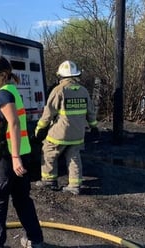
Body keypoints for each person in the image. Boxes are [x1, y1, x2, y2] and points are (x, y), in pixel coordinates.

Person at [0, 56, 44, 248]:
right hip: (17, 157)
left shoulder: (3, 94)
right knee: (22, 200)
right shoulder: (12, 92)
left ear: (2, 75)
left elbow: (14, 123)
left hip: (6, 159)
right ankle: (35, 240)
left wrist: (15, 157)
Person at [34, 60, 98, 195]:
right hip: (78, 134)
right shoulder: (83, 91)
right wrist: (94, 127)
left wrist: (40, 128)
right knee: (74, 157)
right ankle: (74, 186)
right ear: (76, 75)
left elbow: (49, 112)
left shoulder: (59, 90)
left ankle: (49, 181)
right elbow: (90, 111)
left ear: (60, 76)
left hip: (61, 133)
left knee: (49, 151)